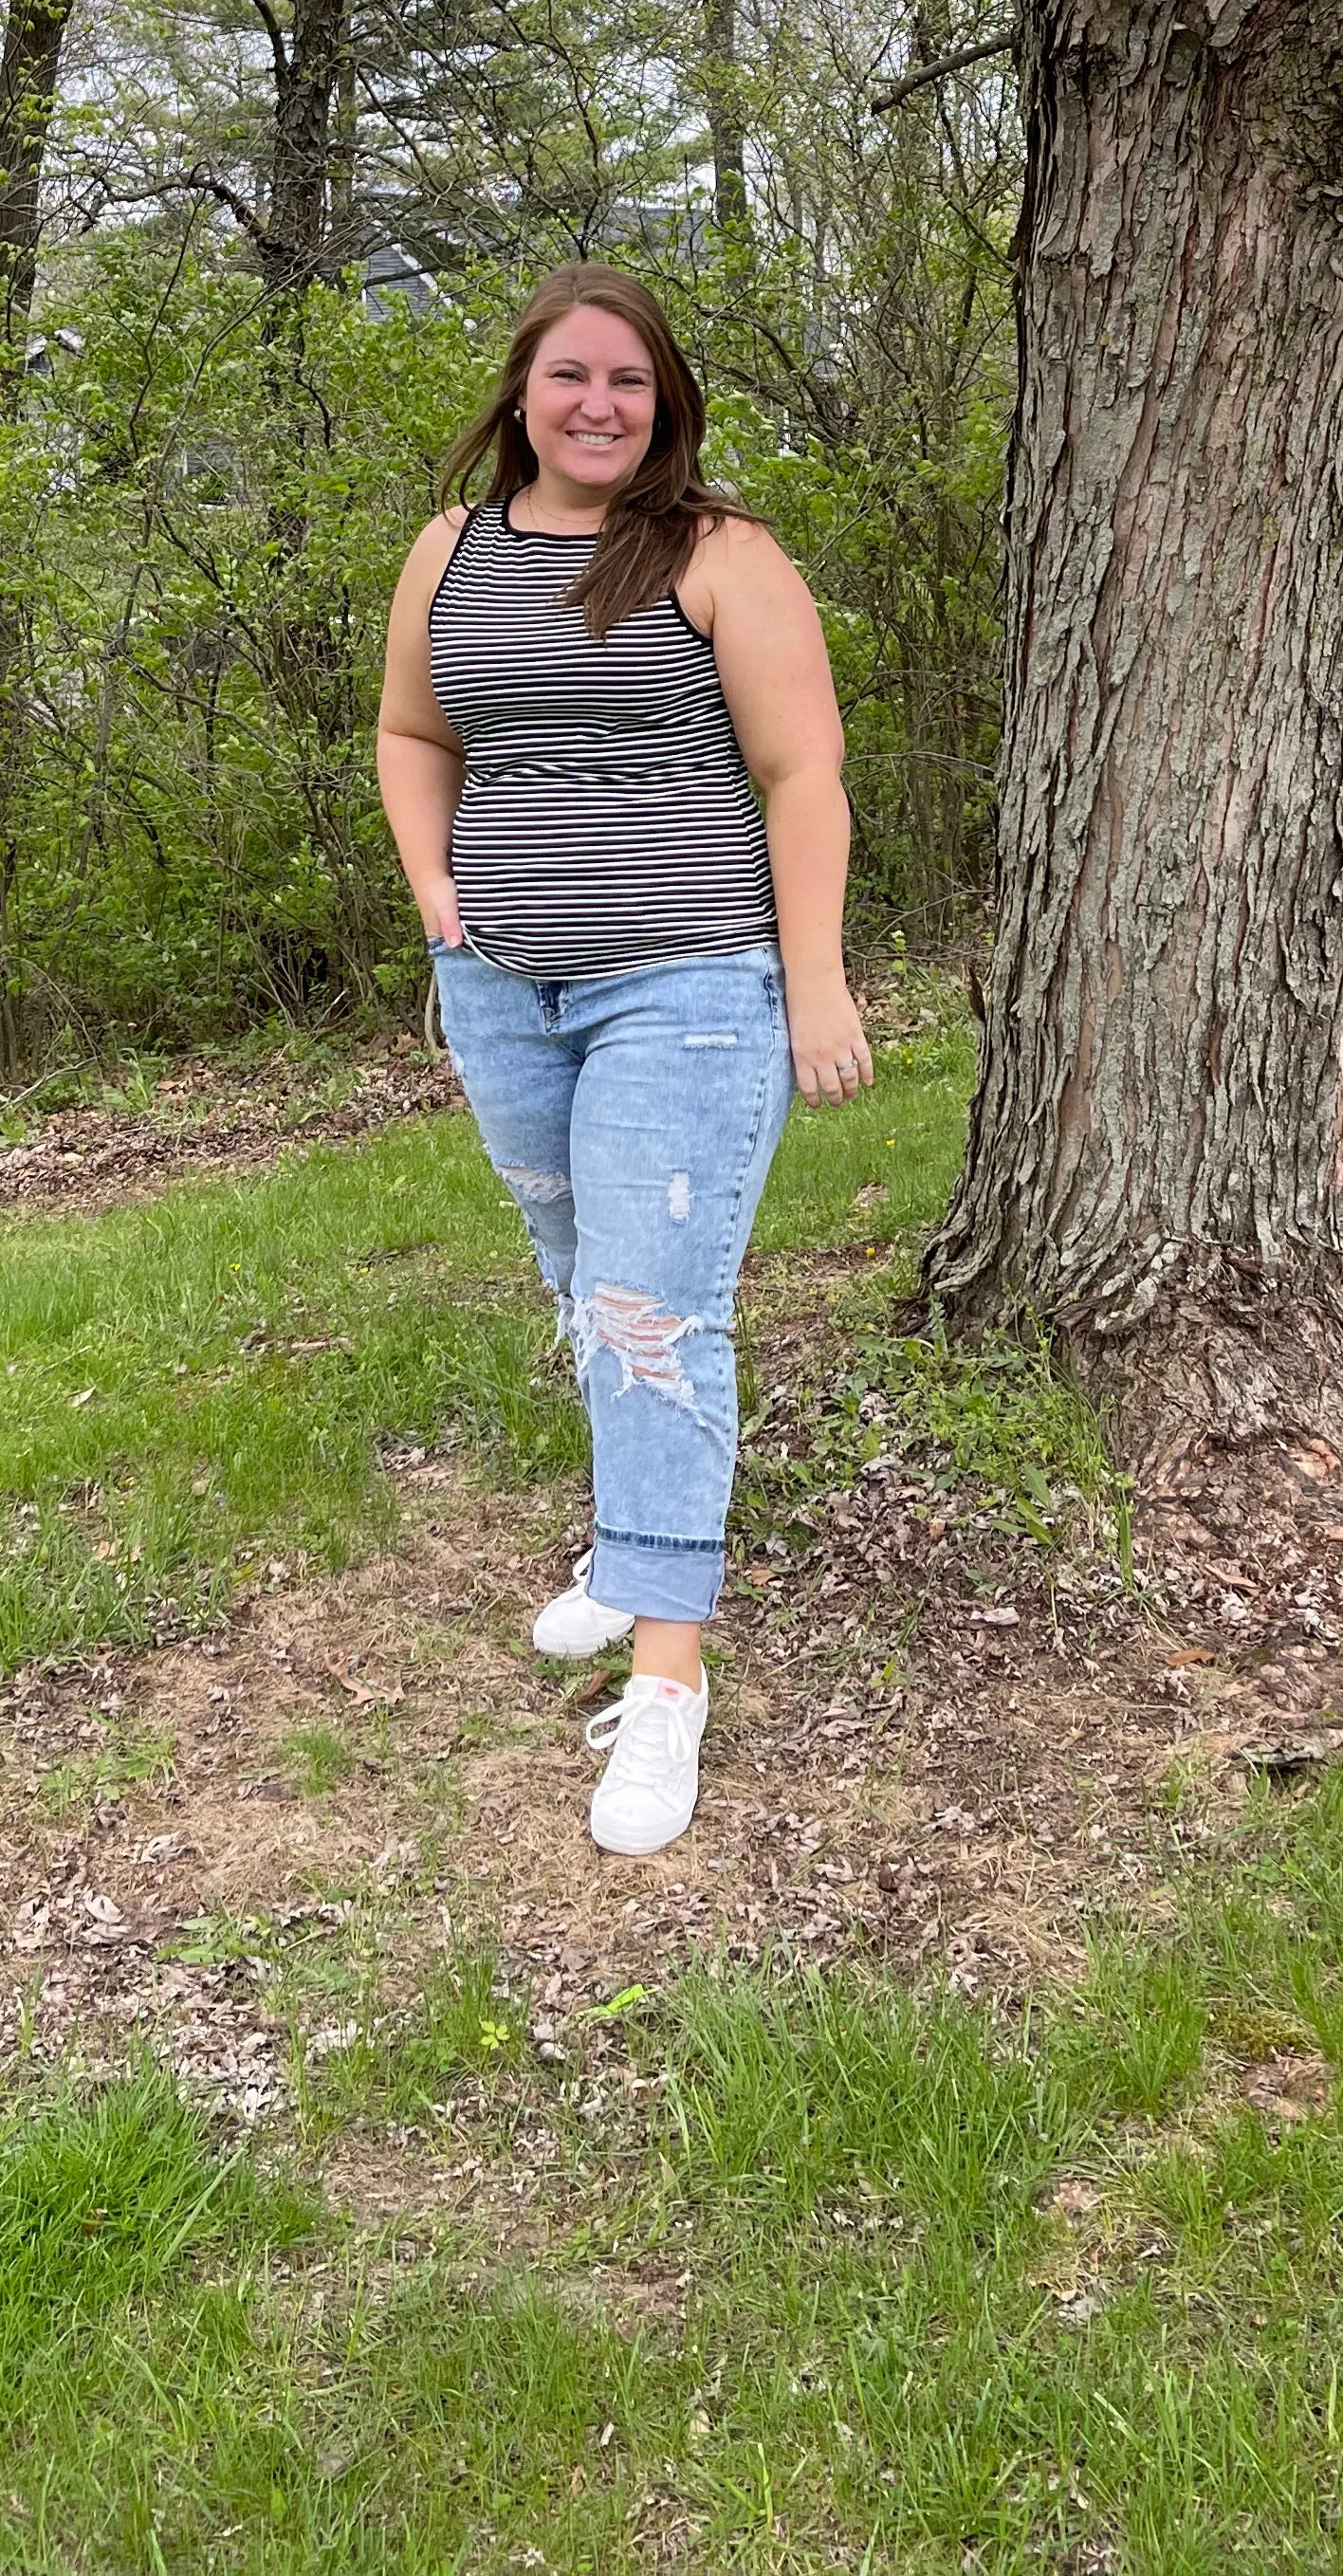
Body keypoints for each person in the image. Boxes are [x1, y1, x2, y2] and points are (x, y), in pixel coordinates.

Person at [377, 262, 872, 1857]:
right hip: (505, 991)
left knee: (657, 1309)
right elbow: (413, 735)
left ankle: (668, 1679)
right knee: (589, 1282)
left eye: (634, 384)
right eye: (574, 376)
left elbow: (803, 773)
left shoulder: (718, 555)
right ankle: (628, 1552)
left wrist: (818, 983)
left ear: (665, 408)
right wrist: (438, 893)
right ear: (521, 392)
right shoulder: (449, 555)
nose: (602, 405)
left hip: (694, 986)